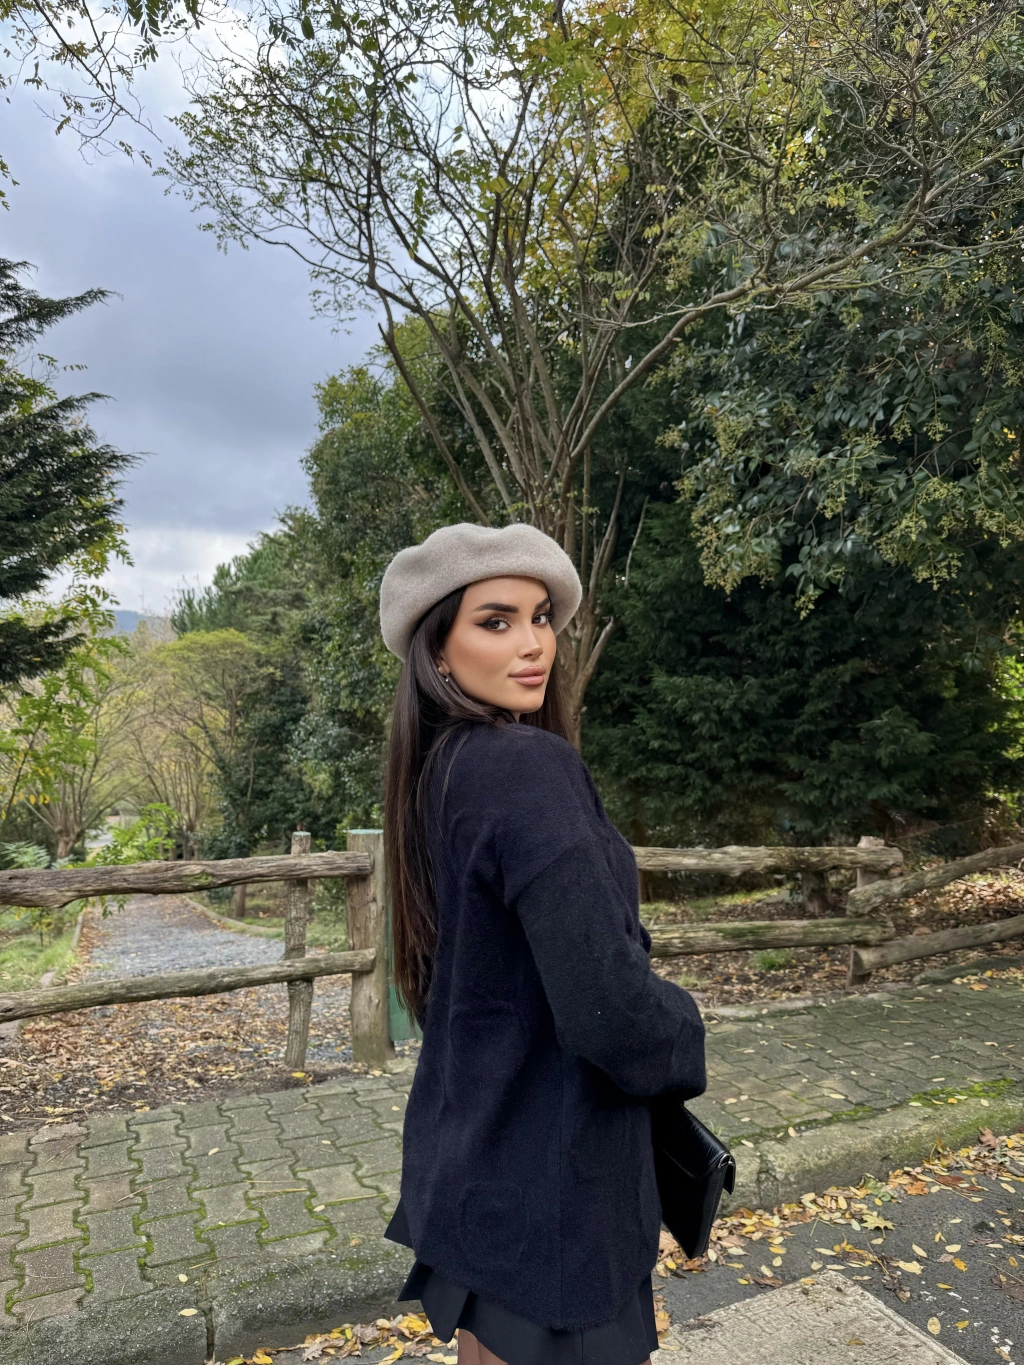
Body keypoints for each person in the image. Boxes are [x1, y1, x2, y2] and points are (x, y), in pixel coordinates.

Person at [378, 523, 707, 1365]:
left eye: (540, 617)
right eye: (495, 621)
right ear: (437, 649)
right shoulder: (526, 769)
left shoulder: (441, 767)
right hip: (556, 1193)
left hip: (475, 1162)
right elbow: (610, 1010)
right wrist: (684, 1030)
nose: (533, 644)